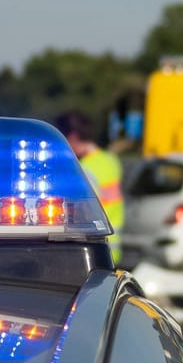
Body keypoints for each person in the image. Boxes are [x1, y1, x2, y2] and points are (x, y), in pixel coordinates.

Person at [56, 110, 123, 263]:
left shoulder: (84, 169)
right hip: (112, 248)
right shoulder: (110, 160)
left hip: (93, 252)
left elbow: (83, 212)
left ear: (72, 137)